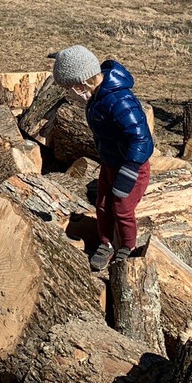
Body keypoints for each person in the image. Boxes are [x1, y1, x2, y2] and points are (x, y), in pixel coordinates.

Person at [52, 44, 154, 271]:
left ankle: (126, 247)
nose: (68, 93)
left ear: (82, 83)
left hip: (131, 166)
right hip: (110, 162)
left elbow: (141, 138)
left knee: (122, 208)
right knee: (103, 204)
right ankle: (106, 243)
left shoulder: (119, 101)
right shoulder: (97, 96)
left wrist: (129, 171)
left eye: (69, 88)